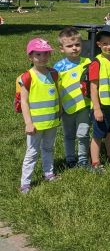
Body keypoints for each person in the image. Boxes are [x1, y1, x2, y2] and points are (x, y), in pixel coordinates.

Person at [18, 38, 60, 193]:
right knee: (32, 152)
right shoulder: (27, 77)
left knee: (49, 148)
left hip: (51, 121)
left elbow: (56, 95)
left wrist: (58, 113)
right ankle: (25, 183)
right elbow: (24, 102)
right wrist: (28, 122)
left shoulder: (54, 74)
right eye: (38, 54)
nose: (43, 58)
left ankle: (48, 173)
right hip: (35, 124)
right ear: (30, 57)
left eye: (46, 54)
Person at [54, 28, 92, 168]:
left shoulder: (87, 62)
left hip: (84, 106)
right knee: (69, 135)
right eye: (69, 46)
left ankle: (82, 159)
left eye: (77, 44)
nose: (74, 48)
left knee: (83, 134)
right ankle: (70, 159)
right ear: (62, 49)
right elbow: (56, 90)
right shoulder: (58, 67)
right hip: (67, 108)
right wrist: (58, 107)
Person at [87, 25, 110, 171]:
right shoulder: (96, 63)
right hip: (101, 106)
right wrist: (96, 108)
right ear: (99, 44)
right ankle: (95, 163)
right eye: (105, 43)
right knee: (98, 135)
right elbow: (93, 87)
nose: (109, 46)